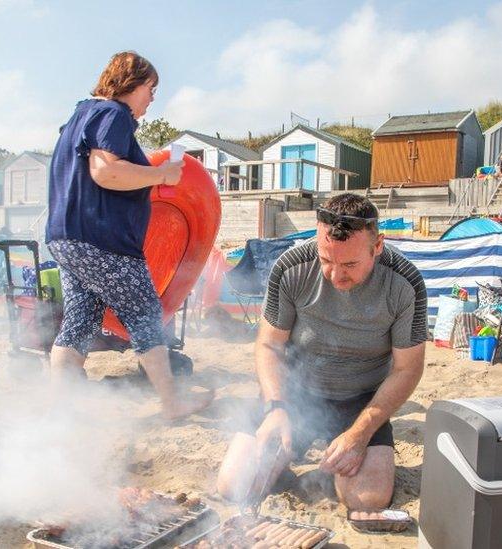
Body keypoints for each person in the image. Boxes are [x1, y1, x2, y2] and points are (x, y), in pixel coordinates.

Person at [215, 193, 427, 533]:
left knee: (367, 499)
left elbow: (407, 369)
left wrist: (359, 435)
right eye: (326, 259)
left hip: (361, 401)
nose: (334, 275)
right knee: (234, 485)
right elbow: (269, 344)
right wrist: (275, 408)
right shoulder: (291, 266)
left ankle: (335, 464)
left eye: (349, 265)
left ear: (378, 246)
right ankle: (287, 454)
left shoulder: (405, 283)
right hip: (295, 394)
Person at [45, 51, 213, 420]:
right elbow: (107, 173)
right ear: (131, 83)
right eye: (151, 89)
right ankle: (173, 404)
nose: (152, 98)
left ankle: (58, 413)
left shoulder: (80, 116)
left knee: (79, 322)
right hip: (102, 239)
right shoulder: (113, 113)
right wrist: (163, 176)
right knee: (146, 316)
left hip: (67, 238)